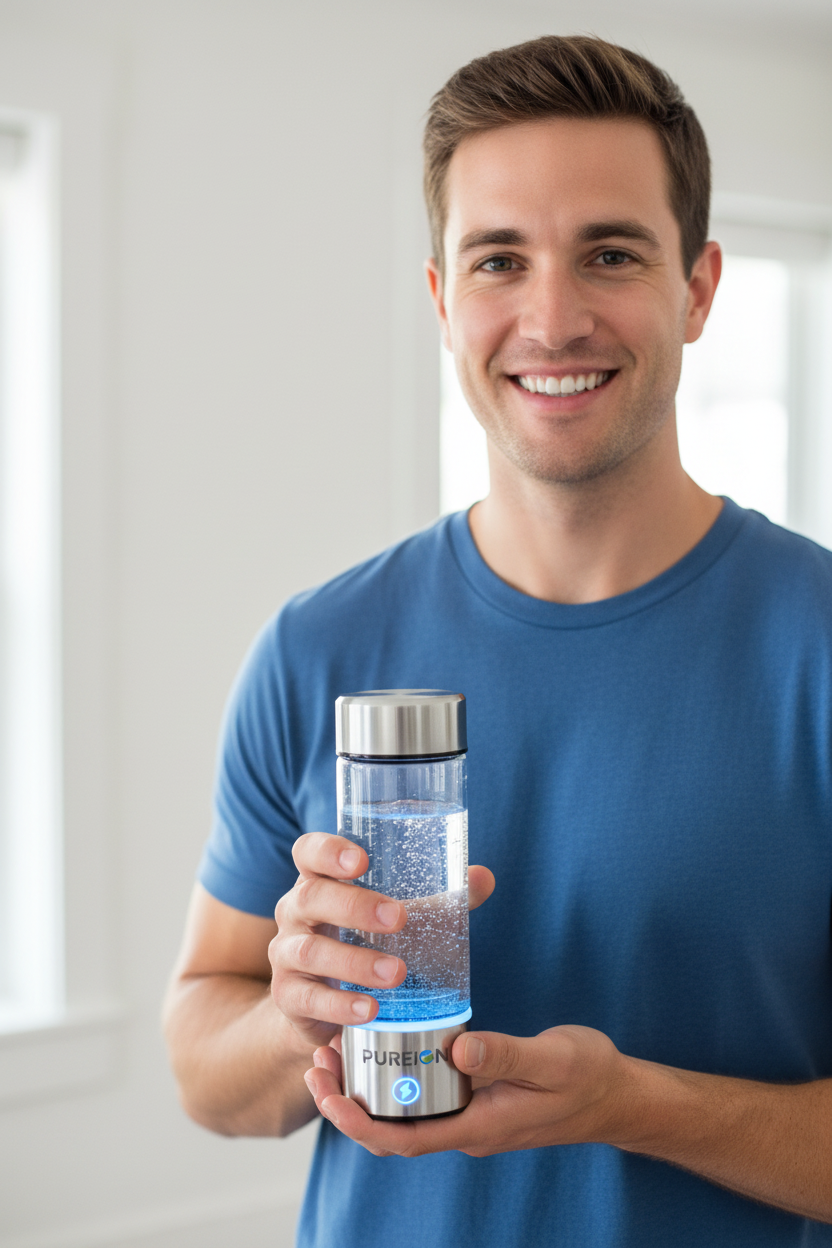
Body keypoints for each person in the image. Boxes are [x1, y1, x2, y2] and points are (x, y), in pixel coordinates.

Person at [163, 34, 832, 1247]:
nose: (552, 317)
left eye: (610, 254)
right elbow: (209, 1076)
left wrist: (632, 1106)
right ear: (441, 298)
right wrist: (295, 1013)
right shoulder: (316, 647)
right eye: (499, 260)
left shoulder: (816, 646)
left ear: (697, 289)